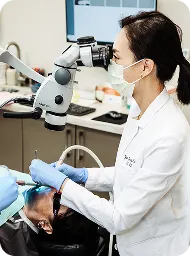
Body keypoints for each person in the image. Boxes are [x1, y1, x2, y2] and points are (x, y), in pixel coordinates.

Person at [29, 11, 190, 256]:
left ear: (145, 67)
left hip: (154, 249)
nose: (110, 64)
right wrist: (83, 176)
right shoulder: (139, 107)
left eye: (116, 57)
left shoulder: (170, 134)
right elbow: (133, 171)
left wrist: (63, 184)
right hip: (128, 244)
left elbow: (119, 218)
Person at [0, 184, 99, 256]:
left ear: (46, 225)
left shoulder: (10, 242)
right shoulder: (25, 184)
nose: (50, 190)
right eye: (59, 188)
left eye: (56, 200)